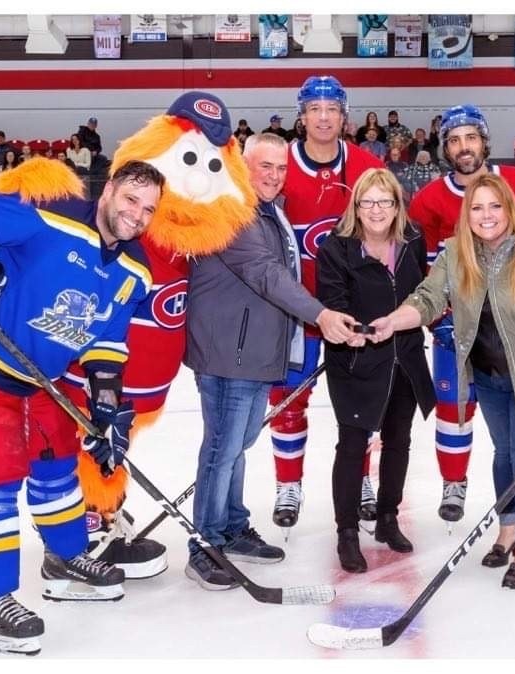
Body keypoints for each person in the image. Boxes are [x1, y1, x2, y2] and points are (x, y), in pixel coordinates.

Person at [0, 158, 167, 655]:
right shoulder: (48, 212)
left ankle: (65, 560)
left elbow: (106, 343)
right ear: (109, 190)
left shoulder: (136, 269)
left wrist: (105, 409)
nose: (137, 216)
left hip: (38, 377)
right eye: (130, 200)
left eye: (148, 209)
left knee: (57, 468)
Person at [370, 172, 515, 584]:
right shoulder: (456, 252)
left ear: (508, 207)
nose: (486, 216)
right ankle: (507, 530)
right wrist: (393, 322)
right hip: (487, 376)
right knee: (503, 454)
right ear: (466, 214)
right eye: (477, 207)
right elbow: (428, 298)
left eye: (494, 206)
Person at [184, 132, 358, 589]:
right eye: (266, 166)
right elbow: (266, 275)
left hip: (255, 352)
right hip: (229, 353)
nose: (275, 176)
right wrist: (320, 314)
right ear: (243, 165)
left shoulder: (266, 212)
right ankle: (205, 544)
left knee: (236, 448)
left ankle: (231, 526)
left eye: (282, 169)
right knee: (222, 451)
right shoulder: (232, 212)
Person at [407, 103, 515, 526]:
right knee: (454, 407)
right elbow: (428, 272)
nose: (464, 147)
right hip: (459, 332)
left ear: (485, 141)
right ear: (444, 147)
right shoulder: (429, 199)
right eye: (454, 140)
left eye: (471, 138)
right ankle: (454, 483)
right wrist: (434, 318)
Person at [269, 75, 383, 533]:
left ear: (344, 115)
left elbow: (387, 233)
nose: (322, 116)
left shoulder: (366, 166)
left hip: (351, 310)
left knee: (358, 402)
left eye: (331, 109)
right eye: (313, 108)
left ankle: (360, 481)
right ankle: (287, 485)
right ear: (301, 115)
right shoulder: (279, 164)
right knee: (288, 399)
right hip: (295, 309)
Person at [316, 168, 436, 573]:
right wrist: (353, 332)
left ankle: (387, 518)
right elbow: (333, 301)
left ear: (397, 205)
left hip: (404, 357)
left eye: (385, 201)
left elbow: (422, 293)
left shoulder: (413, 240)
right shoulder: (336, 248)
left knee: (398, 440)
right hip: (356, 361)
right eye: (367, 201)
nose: (376, 210)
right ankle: (347, 532)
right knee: (352, 445)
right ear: (356, 206)